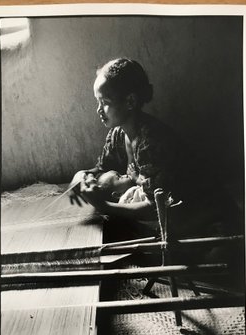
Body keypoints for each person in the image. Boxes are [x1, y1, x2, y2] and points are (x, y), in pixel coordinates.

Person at [69, 58, 179, 220]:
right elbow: (102, 168)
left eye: (105, 102)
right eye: (97, 101)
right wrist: (79, 176)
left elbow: (157, 206)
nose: (99, 110)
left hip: (185, 211)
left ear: (130, 101)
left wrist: (104, 206)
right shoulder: (117, 134)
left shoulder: (151, 142)